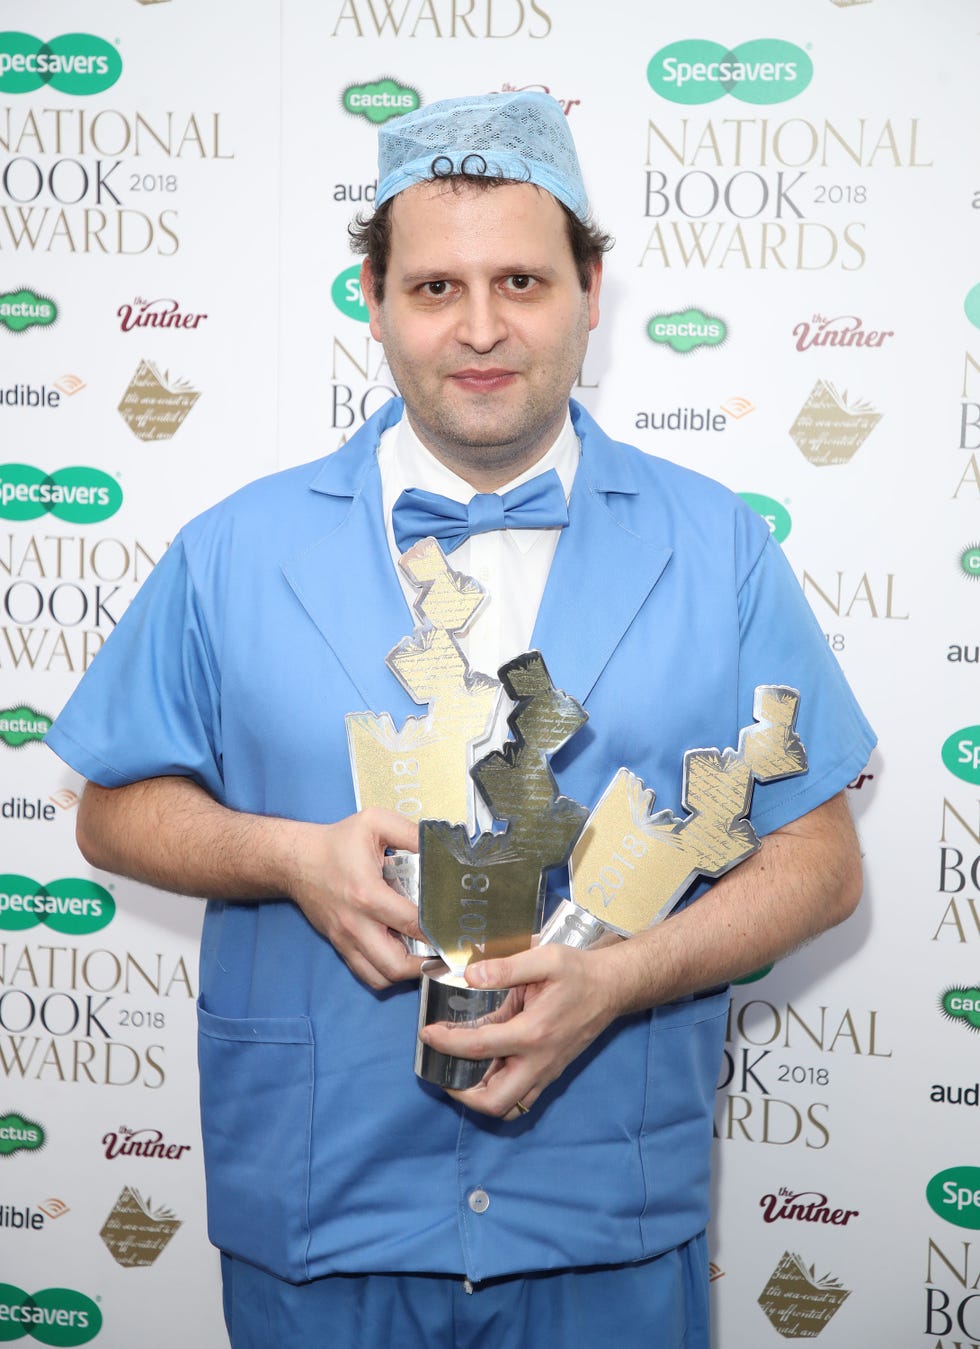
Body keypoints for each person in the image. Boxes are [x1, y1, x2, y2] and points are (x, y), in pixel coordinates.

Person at [46, 92, 875, 1348]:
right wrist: (285, 856)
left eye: (522, 281)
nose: (480, 328)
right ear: (370, 298)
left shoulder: (720, 549)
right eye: (433, 287)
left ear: (591, 291)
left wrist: (617, 979)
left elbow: (818, 859)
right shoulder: (233, 550)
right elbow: (113, 810)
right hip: (322, 1210)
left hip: (608, 1209)